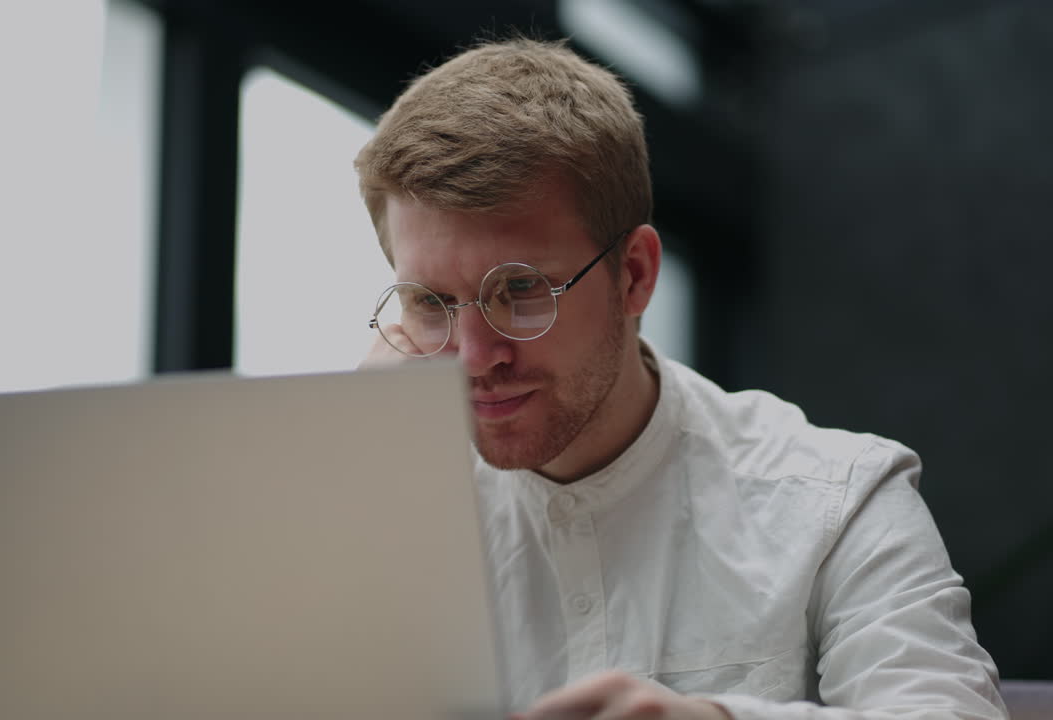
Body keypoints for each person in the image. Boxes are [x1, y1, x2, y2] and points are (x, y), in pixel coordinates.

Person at [355, 37, 1007, 720]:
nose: (473, 356)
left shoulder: (838, 499)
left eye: (519, 290)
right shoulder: (388, 501)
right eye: (430, 303)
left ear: (633, 274)